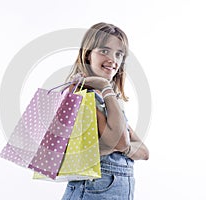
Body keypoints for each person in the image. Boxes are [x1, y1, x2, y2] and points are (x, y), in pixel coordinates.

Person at [61, 22, 149, 200]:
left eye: (119, 54)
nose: (113, 60)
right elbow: (121, 142)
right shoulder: (82, 95)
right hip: (93, 190)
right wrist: (104, 86)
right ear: (87, 55)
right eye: (104, 51)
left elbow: (144, 152)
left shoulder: (107, 99)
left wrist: (119, 146)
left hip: (114, 190)